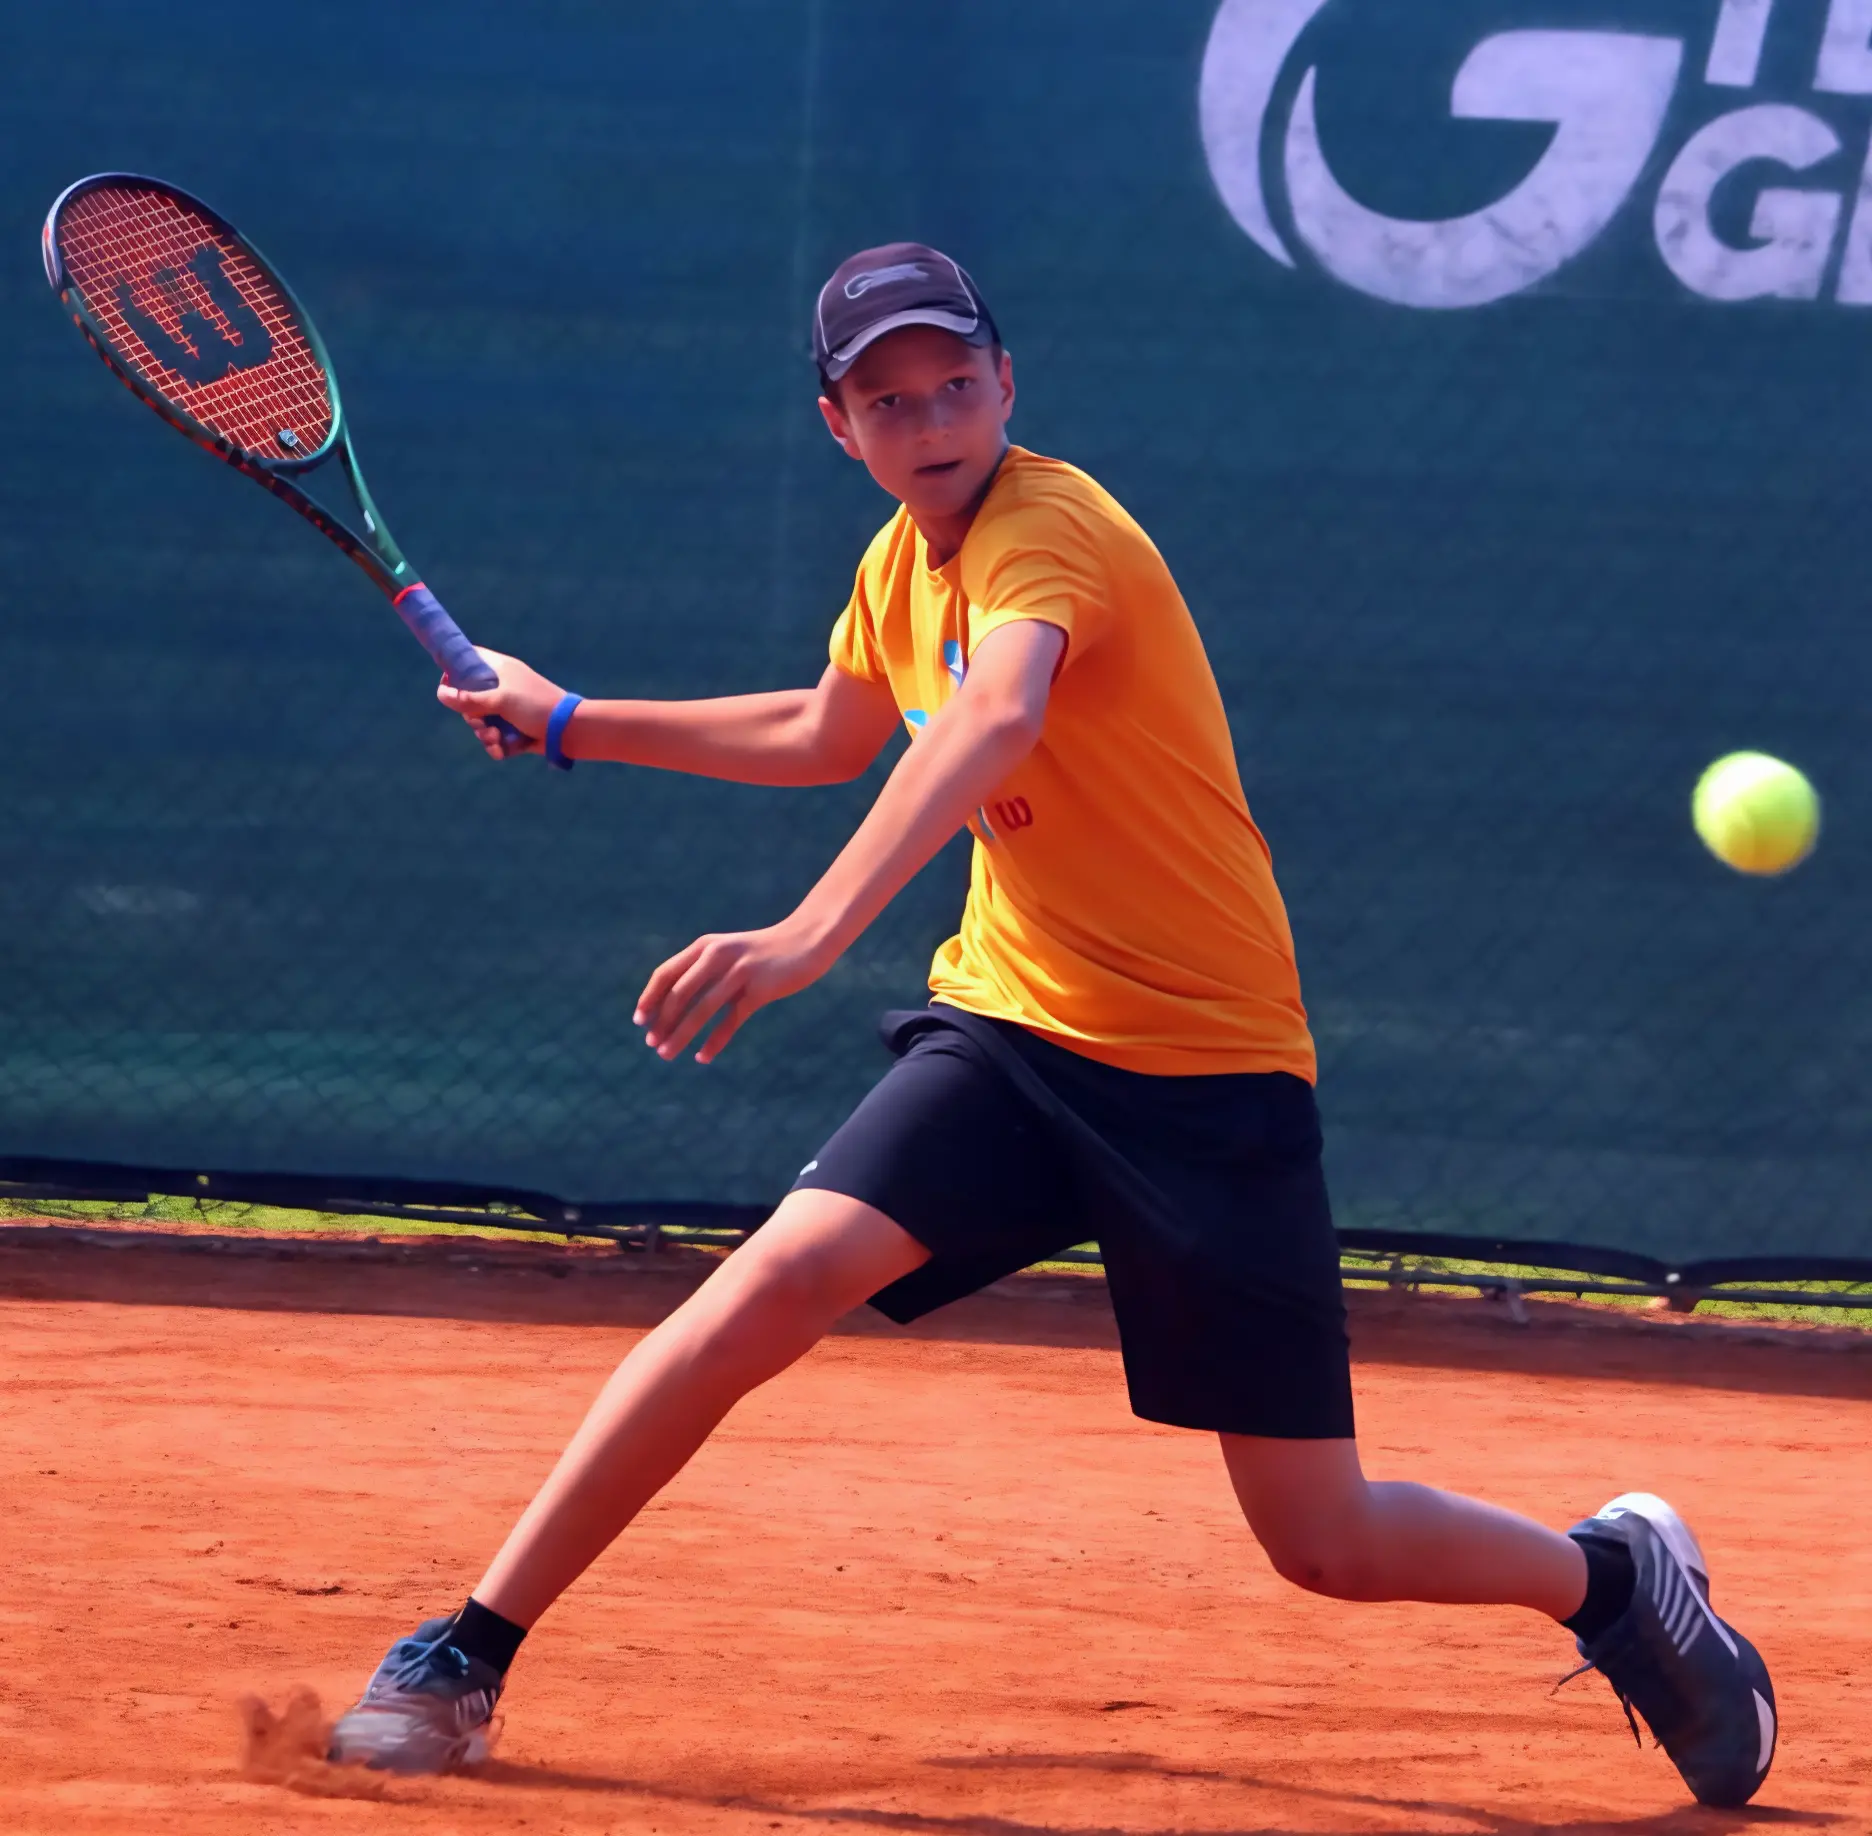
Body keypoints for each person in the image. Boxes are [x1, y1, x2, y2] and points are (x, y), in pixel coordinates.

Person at [326, 244, 1776, 1807]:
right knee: (764, 1290)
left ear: (1008, 385)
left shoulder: (1052, 530)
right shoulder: (900, 567)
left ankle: (1615, 1582)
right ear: (842, 426)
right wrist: (569, 720)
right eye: (891, 398)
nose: (933, 415)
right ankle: (465, 1653)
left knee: (1323, 1540)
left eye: (957, 381)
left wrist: (812, 932)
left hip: (1207, 1074)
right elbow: (830, 727)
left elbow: (995, 716)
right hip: (1015, 1032)